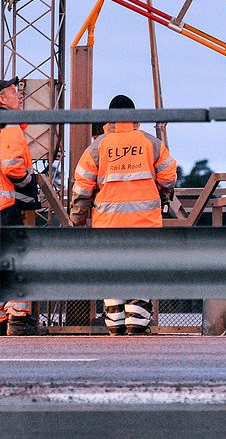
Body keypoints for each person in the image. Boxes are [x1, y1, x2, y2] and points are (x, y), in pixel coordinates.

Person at [69, 94, 177, 335]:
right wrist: (162, 194)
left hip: (108, 224)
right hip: (145, 223)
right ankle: (136, 327)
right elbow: (169, 177)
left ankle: (115, 328)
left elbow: (82, 188)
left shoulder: (96, 148)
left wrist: (77, 219)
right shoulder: (152, 144)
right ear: (135, 119)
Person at [0, 76, 46, 336]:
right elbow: (11, 165)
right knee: (18, 259)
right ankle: (17, 318)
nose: (20, 96)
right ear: (2, 100)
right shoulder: (9, 126)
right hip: (6, 206)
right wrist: (29, 182)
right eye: (15, 93)